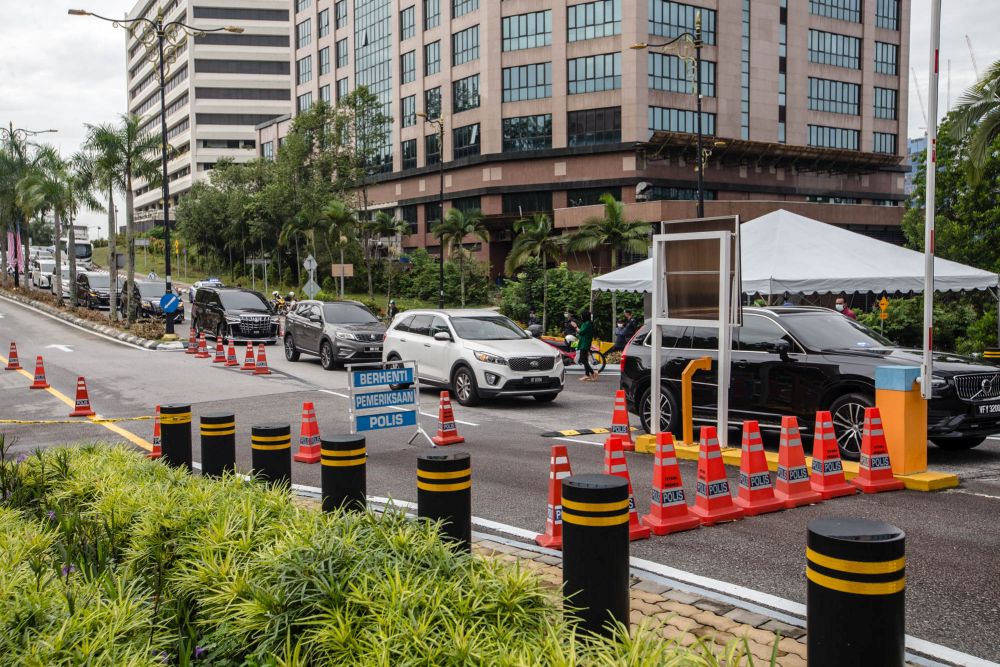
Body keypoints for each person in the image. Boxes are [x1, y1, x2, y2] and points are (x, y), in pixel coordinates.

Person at [577, 311, 598, 382]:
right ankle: (587, 375)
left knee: (583, 359)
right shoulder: (586, 323)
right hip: (584, 342)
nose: (581, 317)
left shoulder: (588, 324)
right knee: (585, 359)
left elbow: (581, 332)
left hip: (585, 344)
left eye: (582, 316)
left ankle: (592, 373)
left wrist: (575, 327)